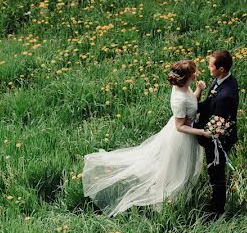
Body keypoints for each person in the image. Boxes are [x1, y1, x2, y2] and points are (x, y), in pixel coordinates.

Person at [82, 60, 205, 216]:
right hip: (182, 137)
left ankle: (181, 197)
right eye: (193, 73)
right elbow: (179, 126)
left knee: (182, 167)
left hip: (188, 131)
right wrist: (201, 131)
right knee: (179, 169)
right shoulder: (178, 99)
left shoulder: (183, 87)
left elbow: (192, 104)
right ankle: (167, 201)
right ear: (185, 78)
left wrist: (199, 89)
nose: (196, 74)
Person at [183, 50, 239, 221]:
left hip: (218, 140)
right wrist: (190, 109)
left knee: (216, 172)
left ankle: (217, 212)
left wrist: (191, 126)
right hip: (214, 131)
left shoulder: (226, 95)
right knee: (214, 171)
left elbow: (215, 127)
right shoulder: (222, 80)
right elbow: (208, 104)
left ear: (221, 69)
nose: (208, 67)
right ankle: (216, 205)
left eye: (211, 65)